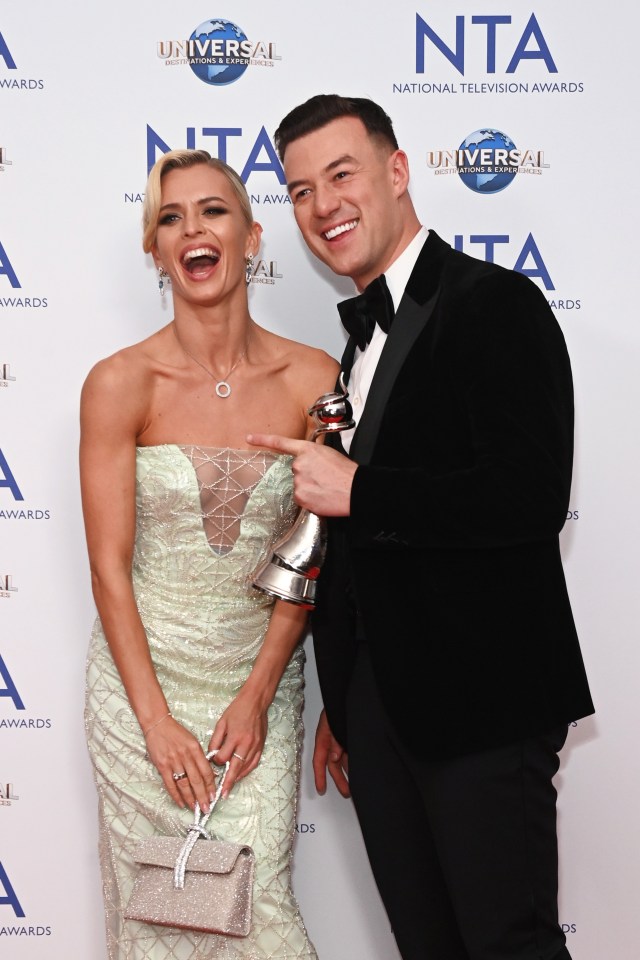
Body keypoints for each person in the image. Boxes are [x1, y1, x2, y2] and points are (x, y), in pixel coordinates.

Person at [247, 95, 595, 960]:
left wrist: (363, 489)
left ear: (397, 173)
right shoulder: (355, 349)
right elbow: (365, 560)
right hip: (382, 715)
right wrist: (346, 695)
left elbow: (527, 496)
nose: (323, 205)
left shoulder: (493, 303)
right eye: (299, 190)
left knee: (507, 946)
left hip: (482, 703)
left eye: (341, 175)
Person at [81, 148, 336, 960]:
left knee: (258, 920)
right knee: (156, 924)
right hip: (139, 698)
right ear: (155, 251)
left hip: (256, 690)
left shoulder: (315, 377)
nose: (192, 227)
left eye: (213, 210)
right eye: (169, 216)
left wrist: (261, 694)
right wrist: (155, 724)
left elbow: (315, 555)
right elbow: (108, 570)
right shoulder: (121, 383)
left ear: (254, 237)